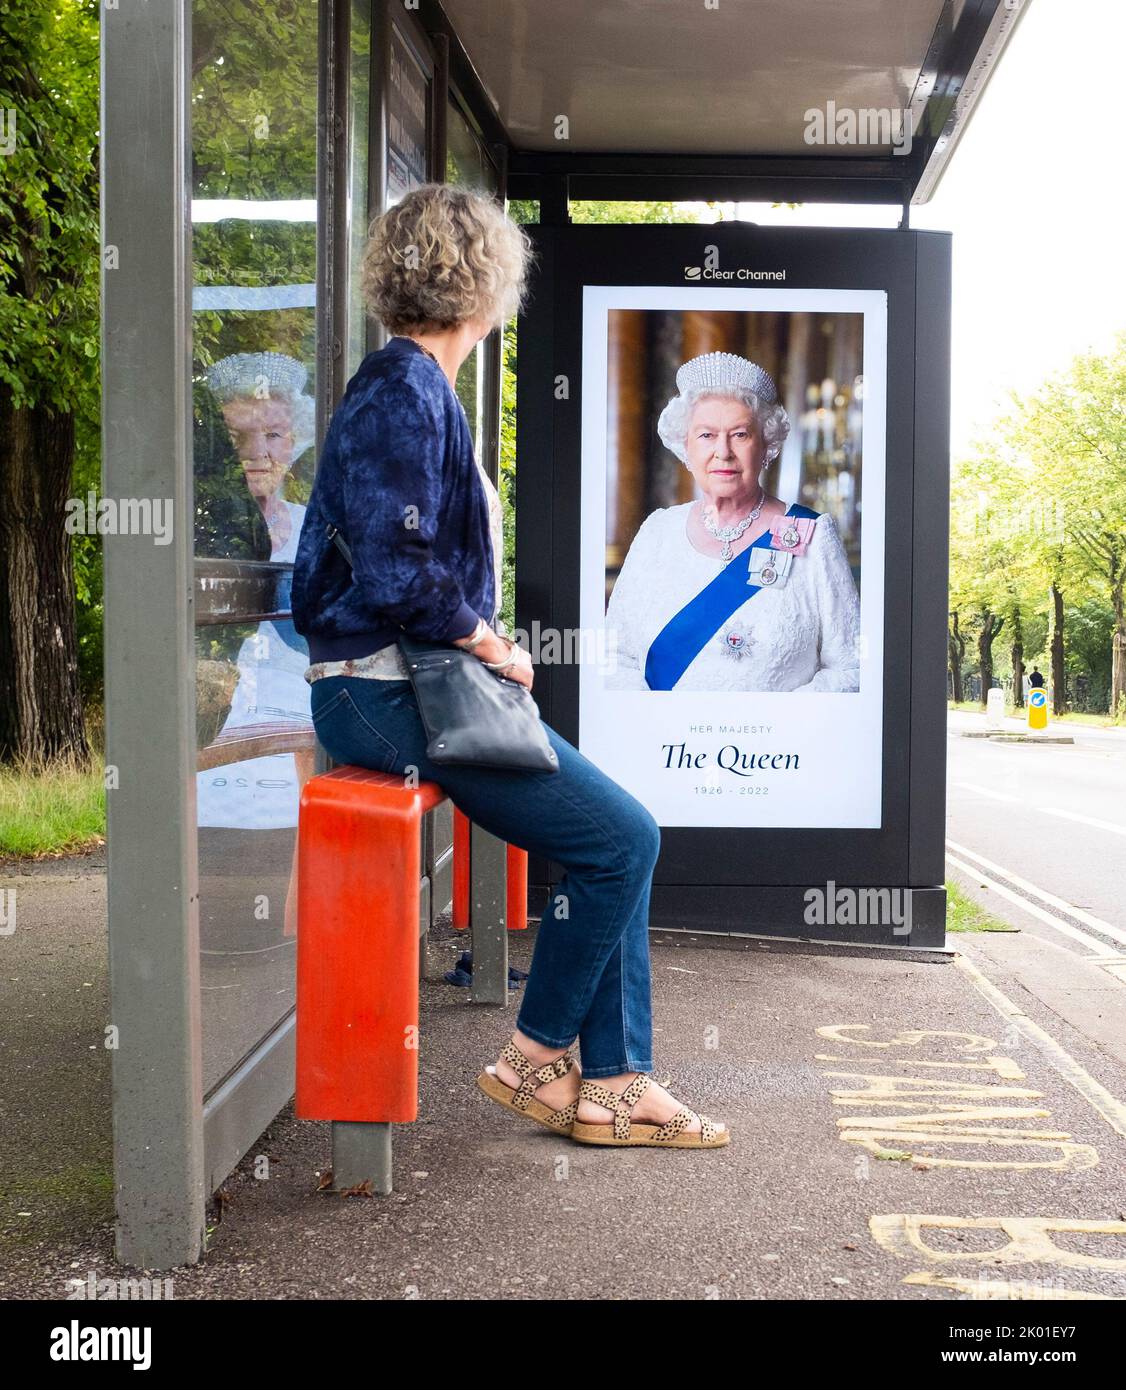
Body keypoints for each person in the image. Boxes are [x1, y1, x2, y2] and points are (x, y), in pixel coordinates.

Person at [291, 183, 728, 1148]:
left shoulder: (410, 385)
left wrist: (479, 645)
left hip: (407, 686)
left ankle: (615, 1085)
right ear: (487, 289)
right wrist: (489, 642)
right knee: (624, 840)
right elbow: (397, 567)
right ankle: (537, 1059)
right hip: (381, 694)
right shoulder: (401, 388)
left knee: (611, 840)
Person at [605, 351, 861, 692]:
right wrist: (655, 728)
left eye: (740, 434)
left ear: (766, 444)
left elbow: (851, 666)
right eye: (706, 435)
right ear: (687, 447)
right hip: (669, 745)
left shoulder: (811, 534)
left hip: (776, 745)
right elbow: (614, 656)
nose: (722, 451)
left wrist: (780, 726)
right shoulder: (657, 532)